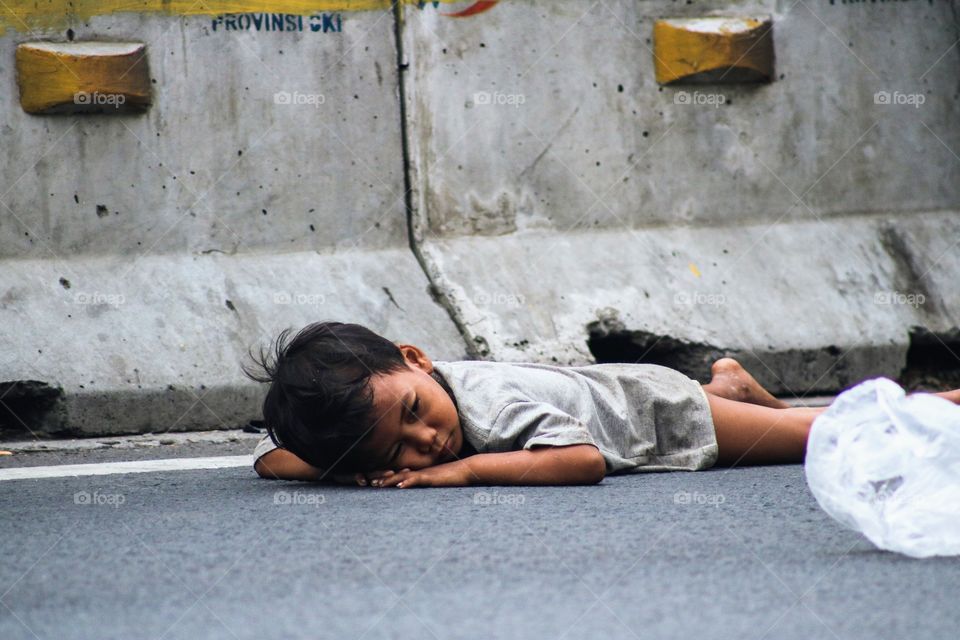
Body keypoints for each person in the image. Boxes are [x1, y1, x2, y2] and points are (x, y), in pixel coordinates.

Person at [244, 321, 960, 488]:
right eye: (393, 453)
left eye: (413, 416)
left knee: (833, 433)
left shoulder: (489, 415)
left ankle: (946, 404)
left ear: (416, 359)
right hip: (620, 394)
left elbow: (582, 461)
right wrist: (339, 467)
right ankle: (731, 384)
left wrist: (459, 475)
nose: (425, 444)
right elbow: (272, 459)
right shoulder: (389, 409)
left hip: (662, 417)